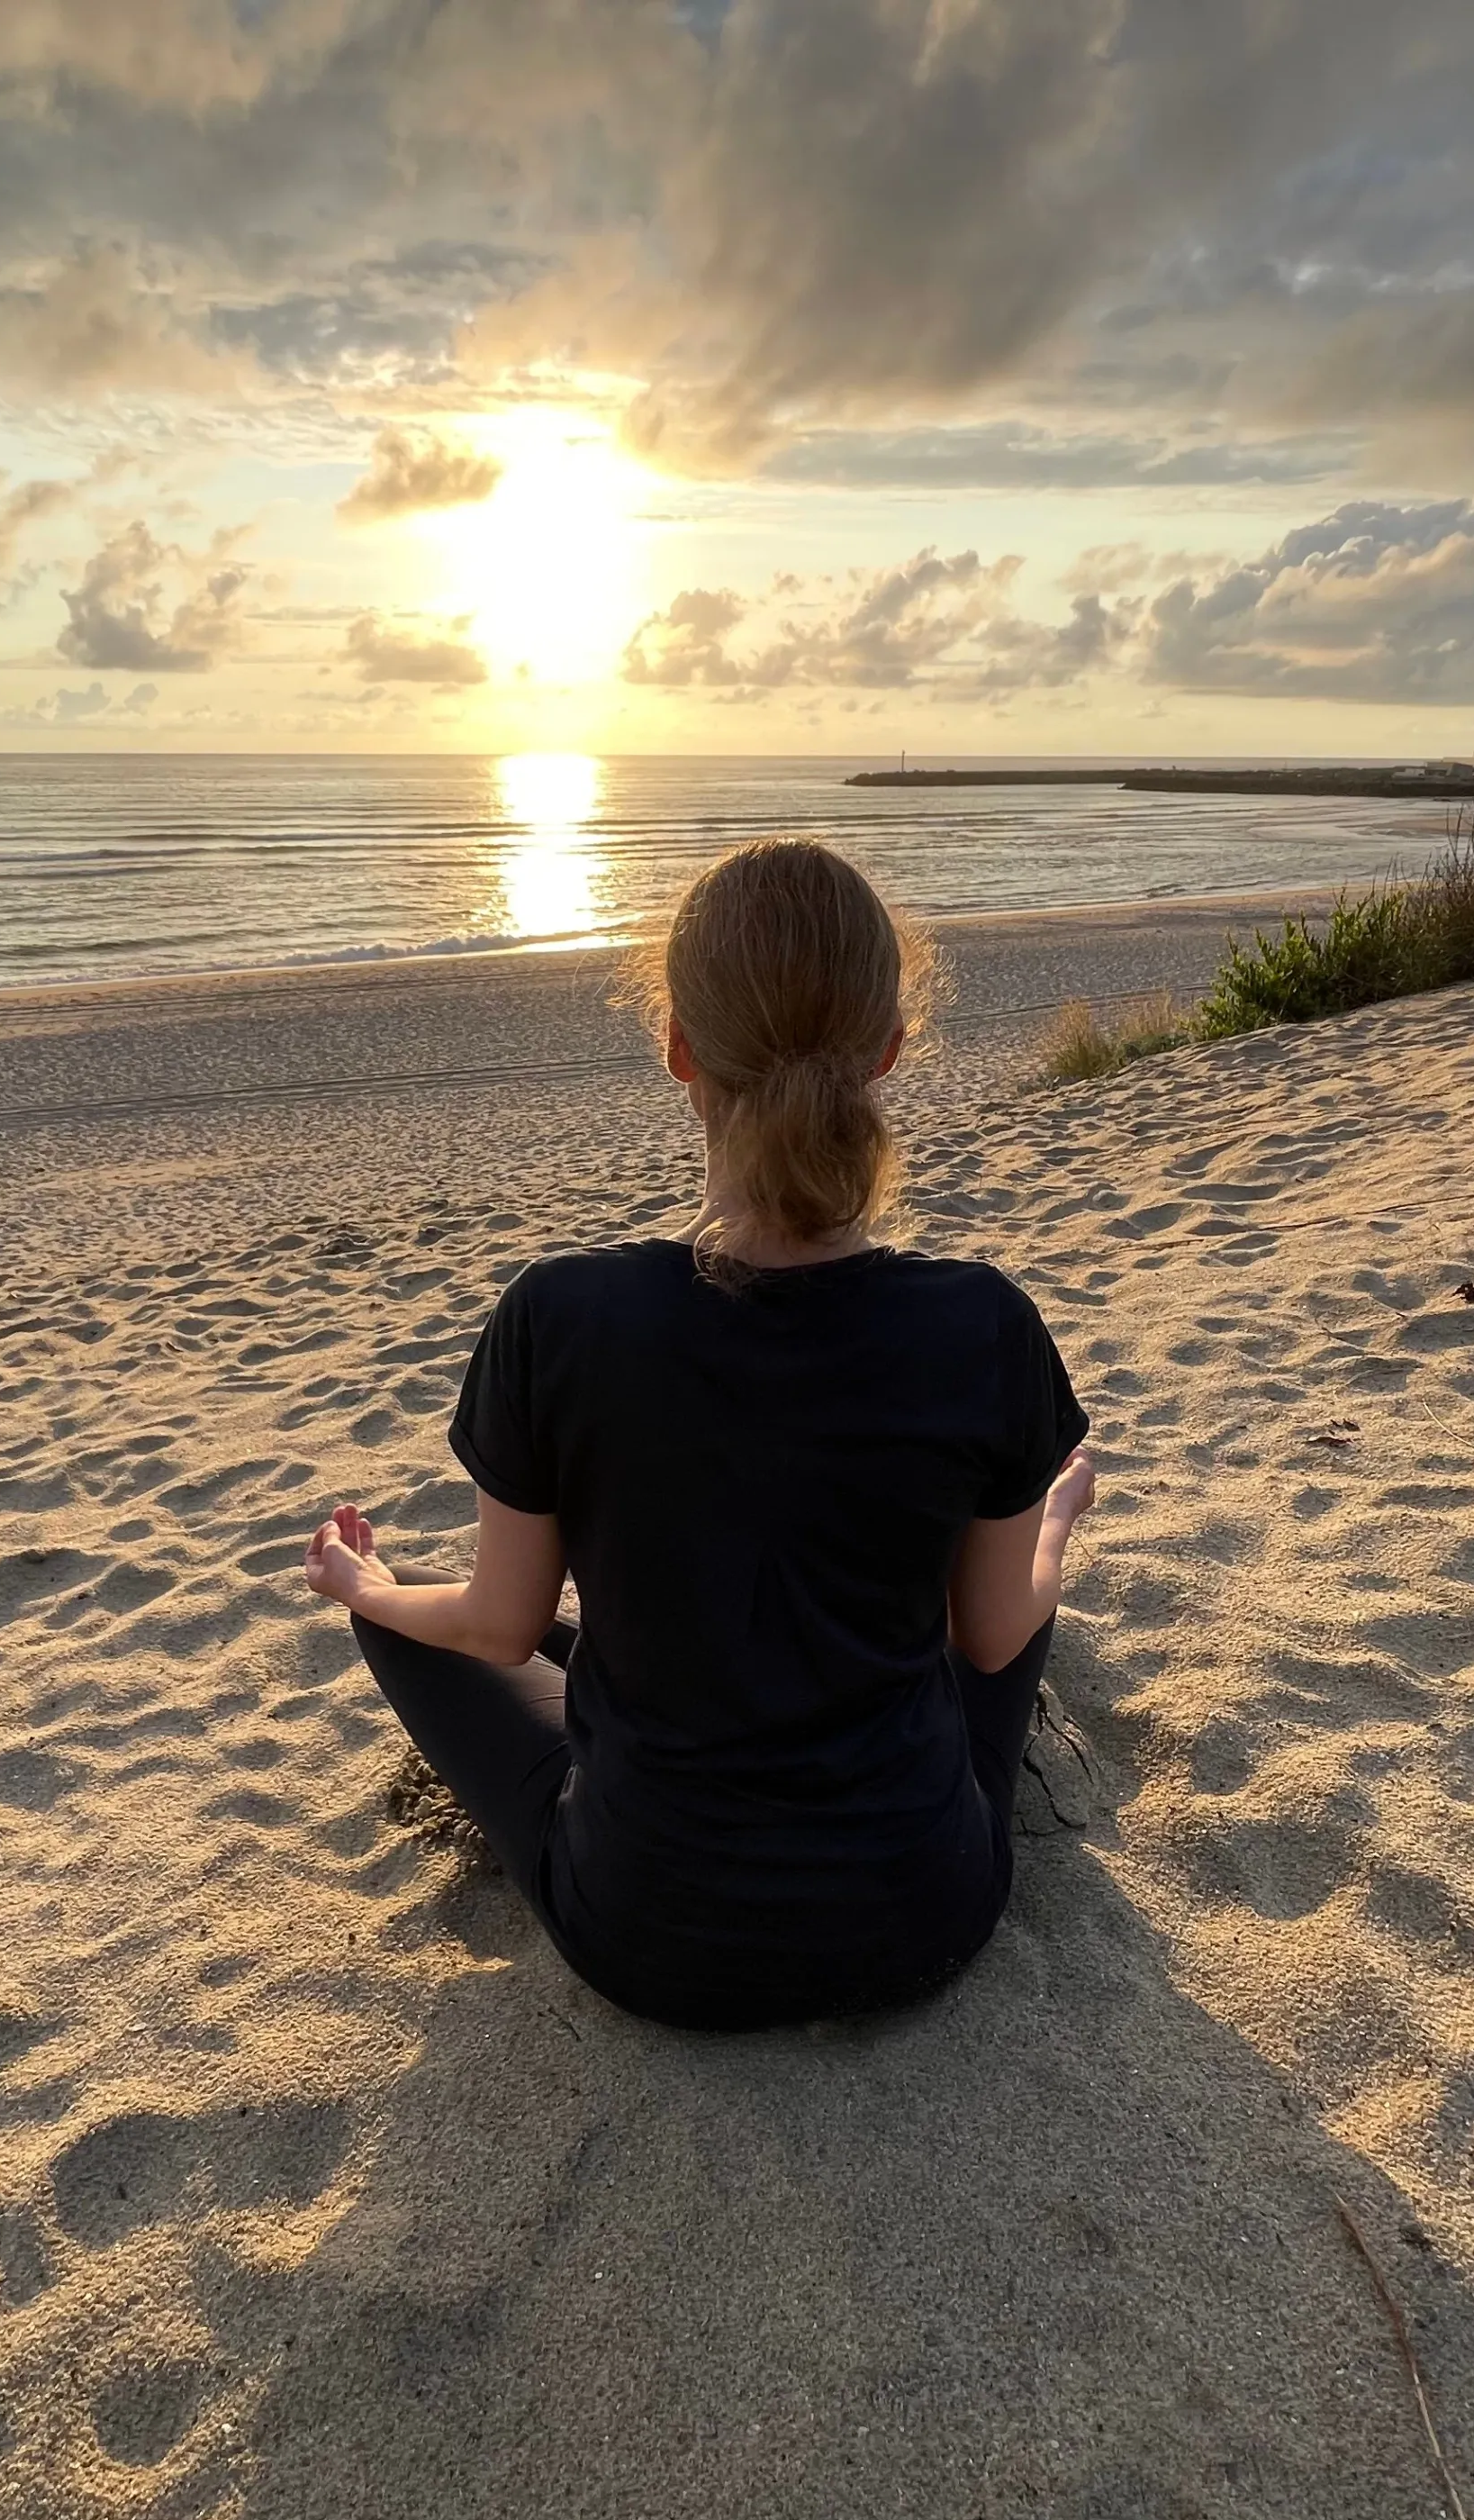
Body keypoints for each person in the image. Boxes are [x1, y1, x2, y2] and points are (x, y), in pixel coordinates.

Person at [300, 838, 1095, 2030]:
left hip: (651, 1938)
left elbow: (500, 1625)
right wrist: (1058, 1520)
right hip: (923, 1916)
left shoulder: (559, 1315)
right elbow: (988, 1636)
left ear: (678, 1046)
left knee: (402, 1613)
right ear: (889, 1049)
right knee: (1009, 1606)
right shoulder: (983, 1321)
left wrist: (363, 1584)